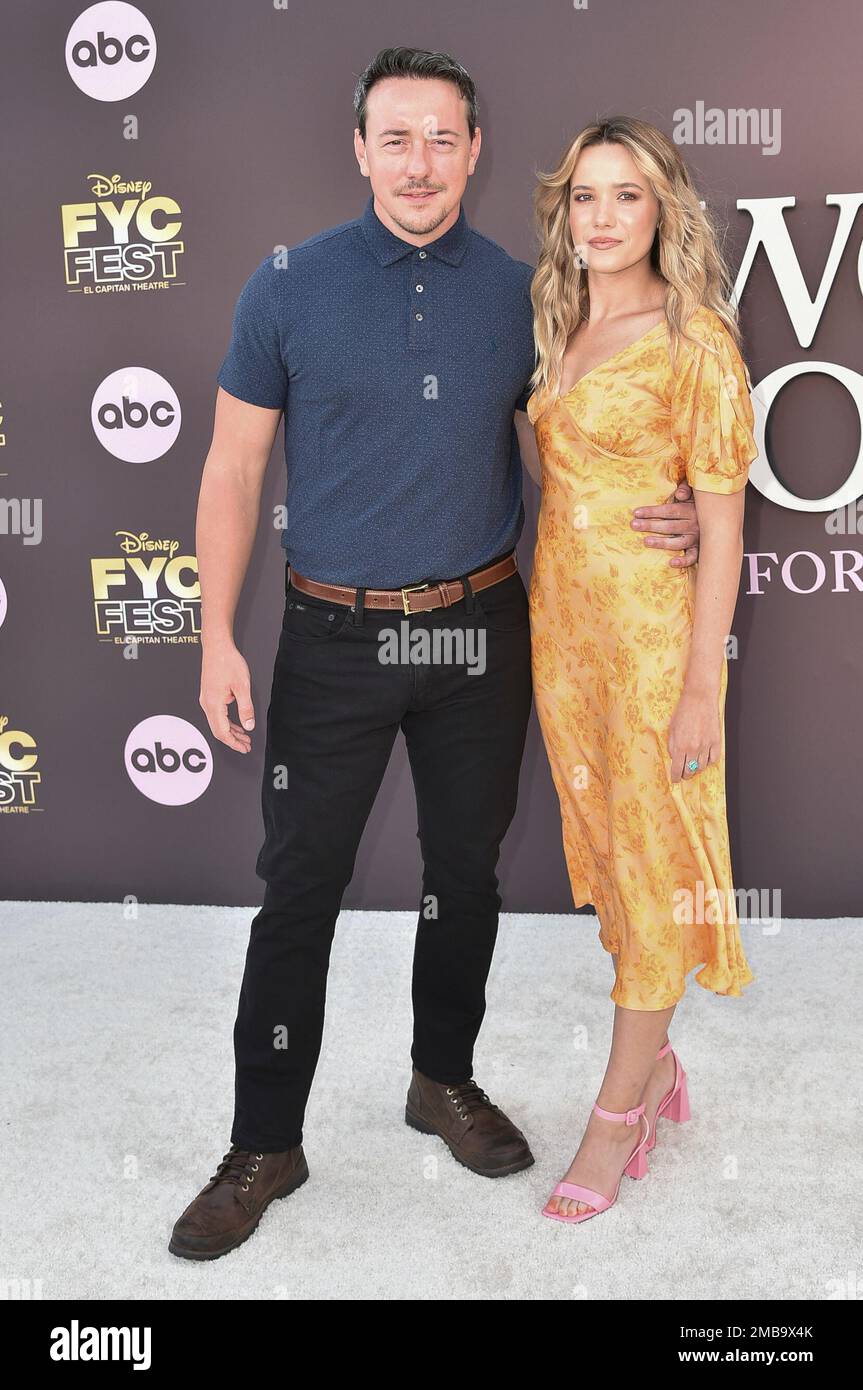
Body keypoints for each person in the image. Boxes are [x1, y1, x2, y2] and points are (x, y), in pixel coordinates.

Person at [169, 52, 701, 1261]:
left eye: (441, 139)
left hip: (480, 630)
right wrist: (211, 637)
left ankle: (439, 1078)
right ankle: (264, 1143)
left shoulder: (528, 296)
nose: (418, 162)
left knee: (465, 873)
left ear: (474, 151)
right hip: (331, 635)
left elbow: (577, 445)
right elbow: (232, 469)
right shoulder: (287, 285)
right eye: (394, 138)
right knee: (297, 890)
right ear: (359, 149)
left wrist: (673, 509)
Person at [518, 117, 758, 1225]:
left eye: (626, 196)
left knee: (657, 862)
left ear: (664, 211)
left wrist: (702, 684)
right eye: (585, 198)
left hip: (656, 648)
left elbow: (723, 522)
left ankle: (615, 1112)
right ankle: (660, 1073)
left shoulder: (694, 338)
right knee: (614, 858)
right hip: (564, 641)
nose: (603, 218)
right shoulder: (557, 320)